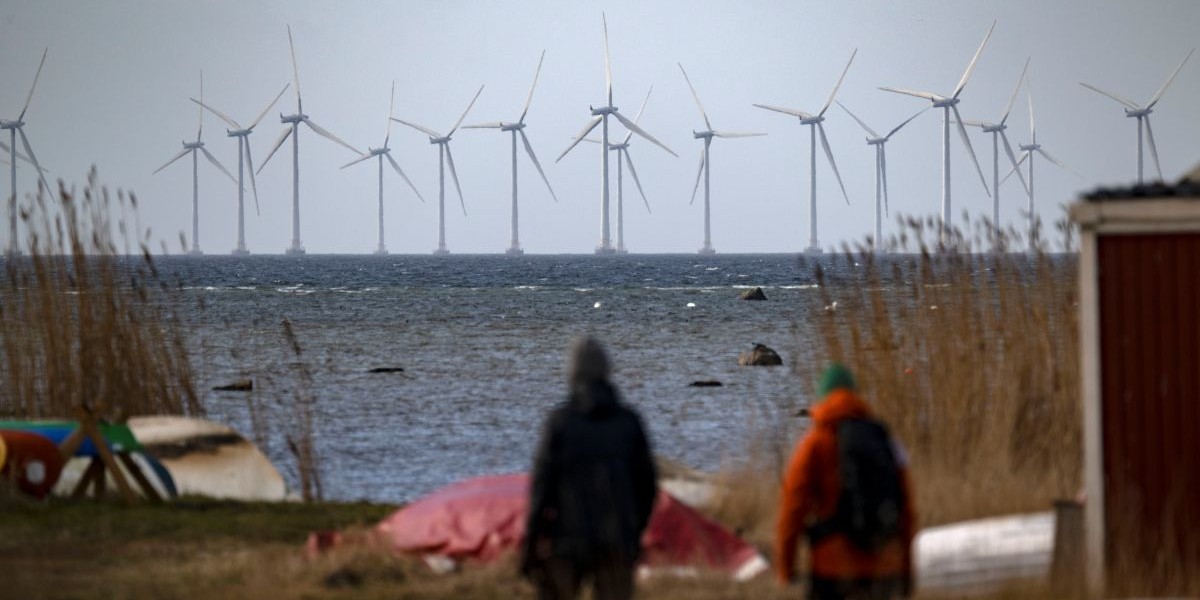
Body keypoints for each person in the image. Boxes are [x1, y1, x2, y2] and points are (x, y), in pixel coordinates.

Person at [520, 336, 658, 600]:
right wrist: (633, 530)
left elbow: (542, 488)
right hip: (617, 541)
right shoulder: (629, 423)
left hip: (566, 541)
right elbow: (647, 486)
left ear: (572, 374)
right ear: (607, 371)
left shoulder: (560, 422)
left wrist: (532, 543)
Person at [776, 363, 916, 599]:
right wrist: (907, 570)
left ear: (822, 397)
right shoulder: (884, 439)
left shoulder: (815, 443)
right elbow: (906, 509)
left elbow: (792, 508)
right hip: (884, 567)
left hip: (833, 569)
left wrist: (785, 569)